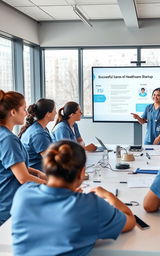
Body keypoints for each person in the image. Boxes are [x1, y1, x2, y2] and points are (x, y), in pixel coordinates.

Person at [11, 140, 135, 255]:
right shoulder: (91, 206)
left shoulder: (23, 194)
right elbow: (130, 221)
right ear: (82, 173)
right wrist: (109, 195)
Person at [0, 90, 46, 226]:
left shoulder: (4, 135)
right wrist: (52, 186)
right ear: (13, 112)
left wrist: (36, 172)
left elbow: (13, 166)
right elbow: (23, 178)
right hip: (8, 206)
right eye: (24, 108)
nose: (26, 113)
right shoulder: (8, 139)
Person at [19, 99, 56, 171]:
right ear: (48, 113)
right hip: (36, 176)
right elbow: (51, 160)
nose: (56, 113)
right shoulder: (39, 133)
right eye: (54, 110)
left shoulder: (41, 128)